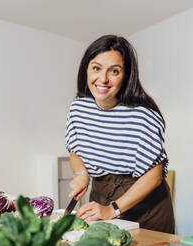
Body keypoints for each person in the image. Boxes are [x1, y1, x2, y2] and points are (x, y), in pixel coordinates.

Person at [65, 35, 175, 233]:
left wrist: (113, 209)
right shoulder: (78, 109)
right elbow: (75, 150)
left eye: (114, 71)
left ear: (126, 75)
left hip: (146, 204)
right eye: (96, 68)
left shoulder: (143, 115)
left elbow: (154, 175)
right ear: (86, 69)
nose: (103, 79)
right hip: (101, 195)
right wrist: (81, 173)